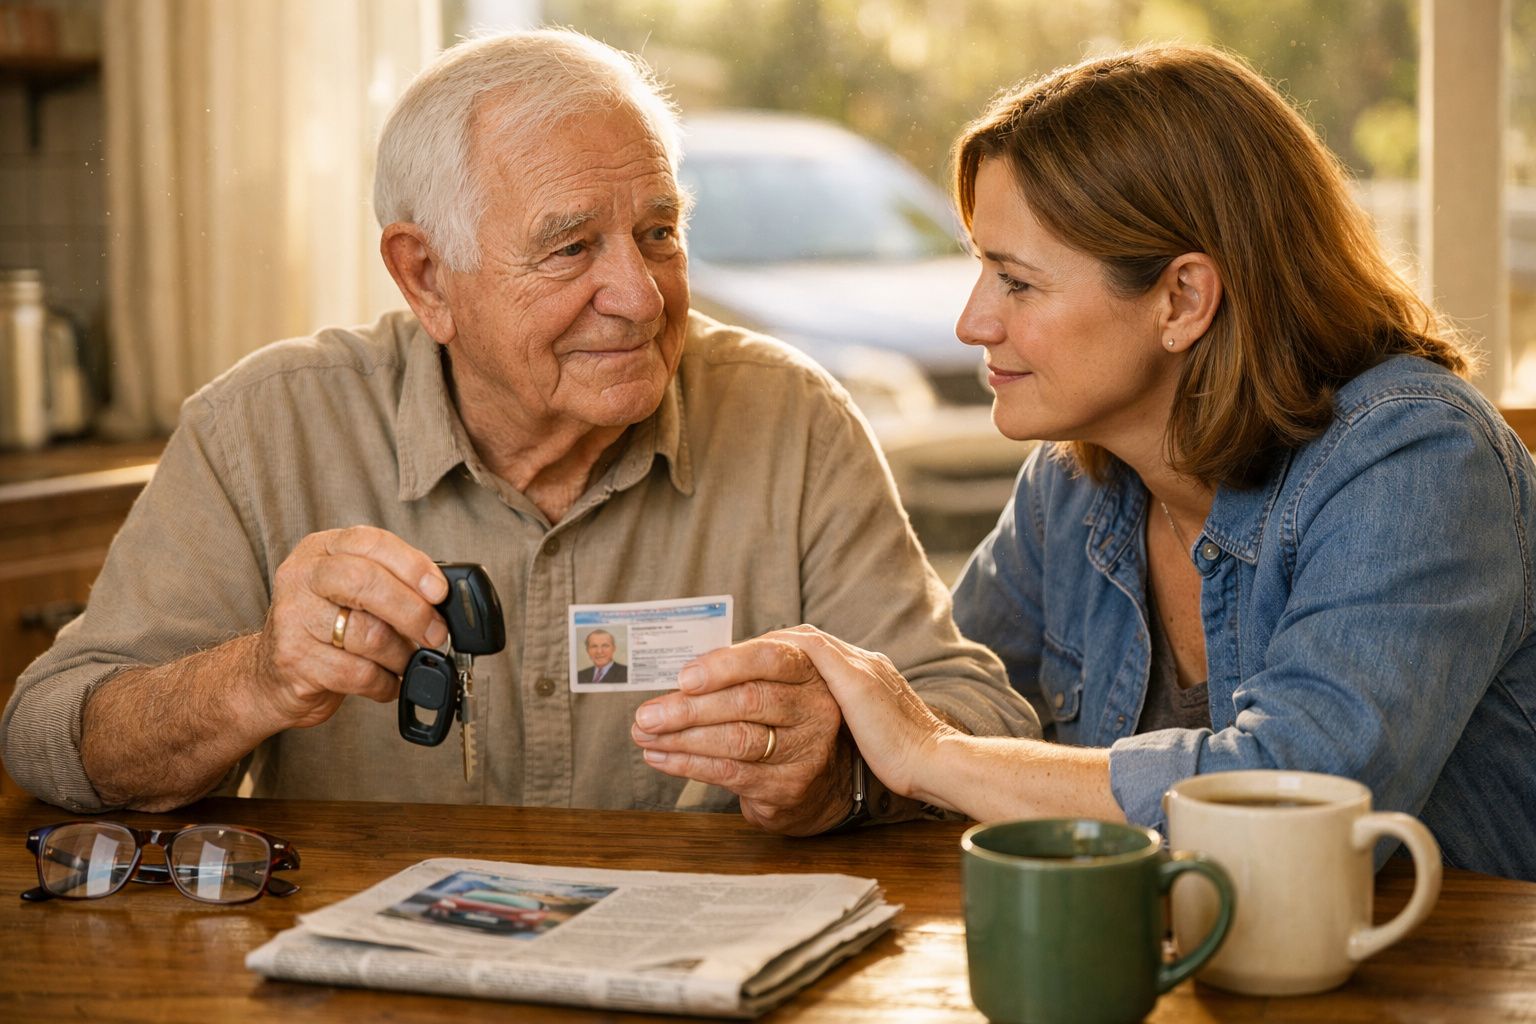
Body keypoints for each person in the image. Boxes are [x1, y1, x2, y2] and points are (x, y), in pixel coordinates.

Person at [0, 29, 1037, 833]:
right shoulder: (263, 427)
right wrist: (258, 675)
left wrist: (842, 776)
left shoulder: (789, 419)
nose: (637, 295)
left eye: (659, 233)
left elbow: (975, 719)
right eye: (571, 247)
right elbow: (49, 734)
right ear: (424, 276)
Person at [632, 44, 1536, 880]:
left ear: (1182, 298)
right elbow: (965, 714)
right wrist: (831, 764)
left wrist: (926, 755)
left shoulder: (1416, 460)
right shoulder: (1076, 482)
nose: (973, 322)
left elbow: (1292, 801)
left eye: (1016, 281)